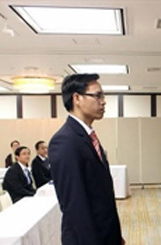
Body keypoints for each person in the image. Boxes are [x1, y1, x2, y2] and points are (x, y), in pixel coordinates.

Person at [49, 74, 125, 245]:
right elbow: (75, 206)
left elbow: (102, 195)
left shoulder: (86, 135)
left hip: (105, 234)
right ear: (77, 98)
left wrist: (114, 234)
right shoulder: (65, 141)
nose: (103, 101)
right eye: (97, 95)